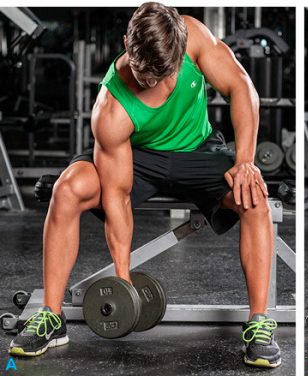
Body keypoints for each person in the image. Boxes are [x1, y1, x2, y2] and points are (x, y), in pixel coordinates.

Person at [10, 2, 282, 368]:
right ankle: (51, 317)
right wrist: (123, 284)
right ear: (126, 43)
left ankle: (259, 323)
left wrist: (245, 160)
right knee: (68, 188)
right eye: (145, 76)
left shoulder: (193, 35)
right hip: (136, 157)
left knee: (254, 196)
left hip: (198, 150)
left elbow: (241, 88)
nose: (153, 83)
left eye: (163, 74)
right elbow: (118, 198)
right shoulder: (111, 108)